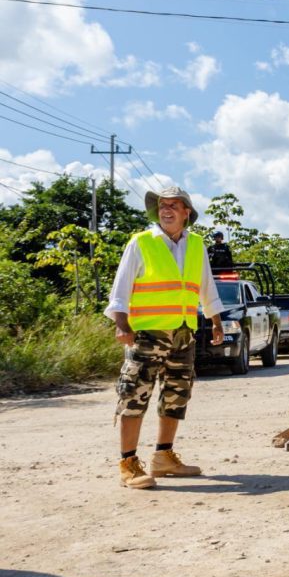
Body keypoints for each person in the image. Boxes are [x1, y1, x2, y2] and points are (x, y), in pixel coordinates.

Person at [106, 184, 225, 489]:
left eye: (173, 205)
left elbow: (206, 285)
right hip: (148, 333)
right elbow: (120, 289)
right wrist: (121, 324)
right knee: (135, 394)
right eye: (162, 205)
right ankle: (128, 464)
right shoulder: (141, 242)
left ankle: (163, 457)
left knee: (176, 394)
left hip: (184, 332)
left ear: (186, 212)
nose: (166, 210)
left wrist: (215, 320)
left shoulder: (196, 244)